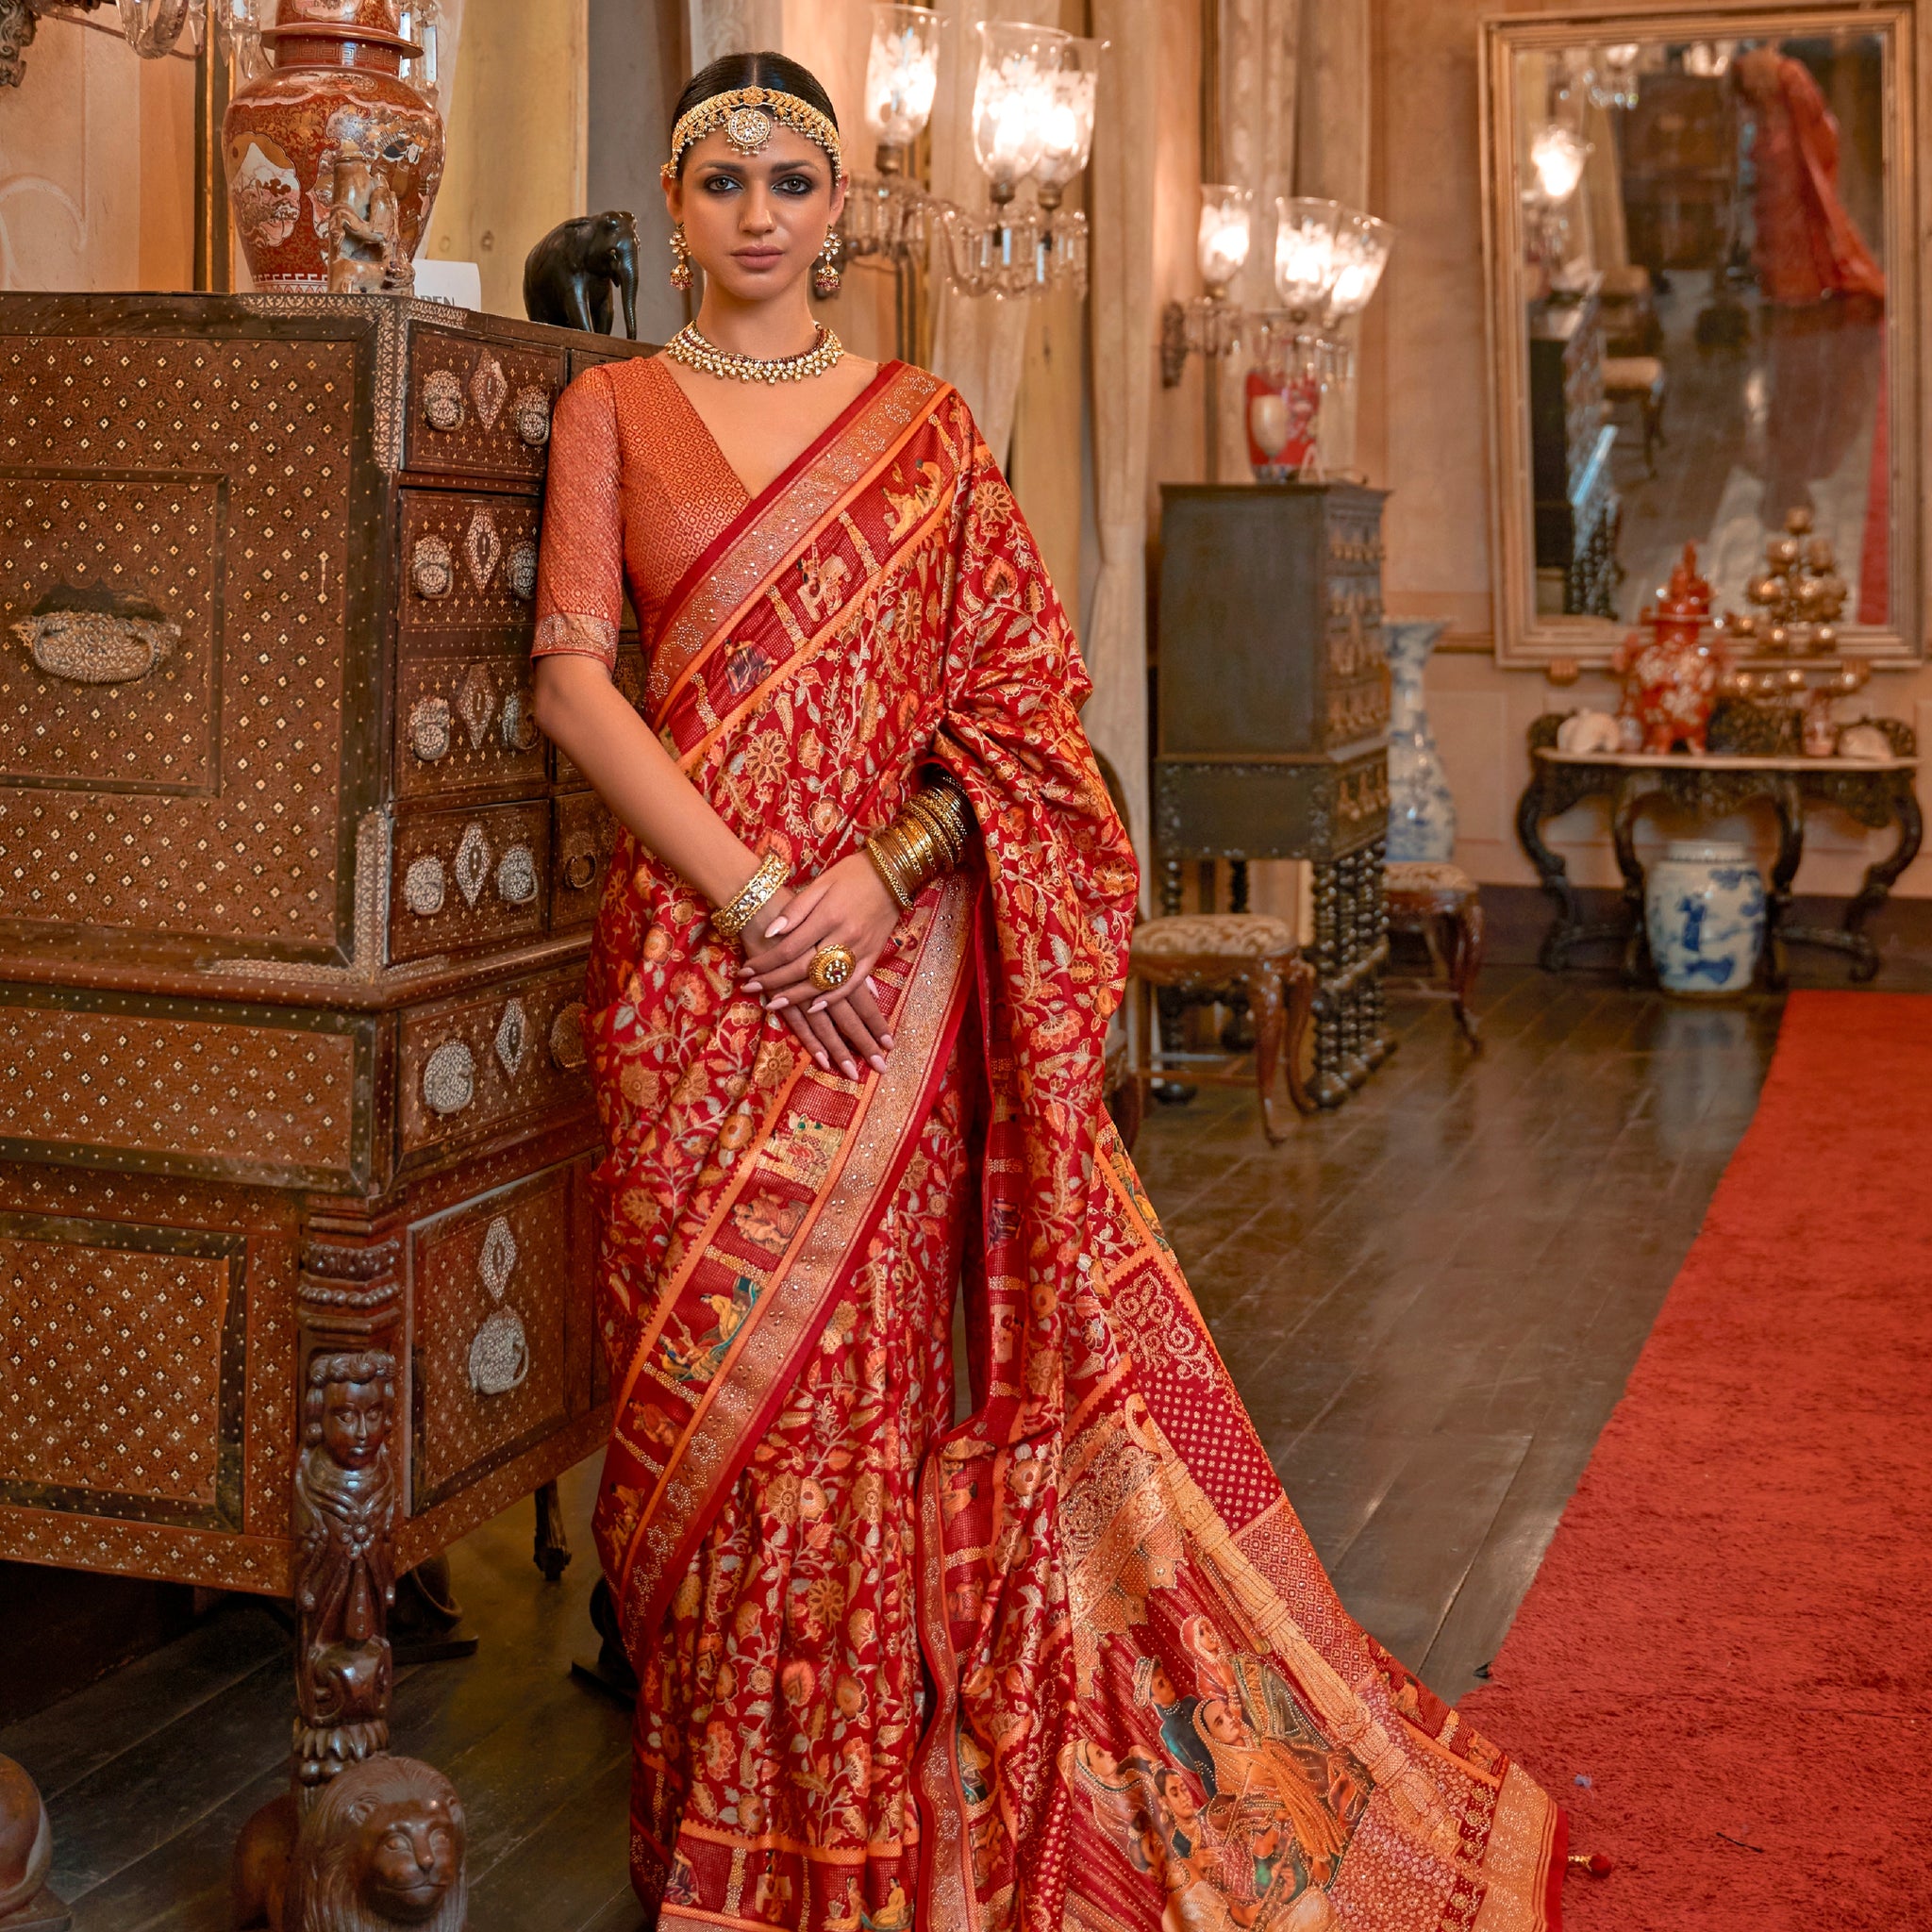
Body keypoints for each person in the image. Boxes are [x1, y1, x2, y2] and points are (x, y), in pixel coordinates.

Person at [532, 48, 1566, 1932]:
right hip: (695, 973)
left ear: (840, 211)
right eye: (721, 179)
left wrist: (875, 876)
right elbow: (572, 679)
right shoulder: (613, 406)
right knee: (699, 1409)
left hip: (895, 982)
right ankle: (712, 1844)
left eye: (790, 177)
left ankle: (865, 1832)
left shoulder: (925, 431)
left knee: (865, 1391)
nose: (757, 210)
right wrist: (761, 892)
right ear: (674, 209)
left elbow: (1025, 725)